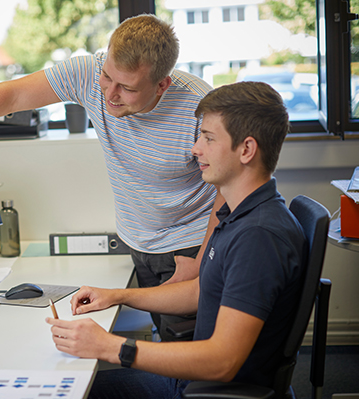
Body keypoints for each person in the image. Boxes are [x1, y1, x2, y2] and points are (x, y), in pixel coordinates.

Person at [0, 14, 223, 339]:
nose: (109, 94)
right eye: (107, 77)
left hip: (189, 245)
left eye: (127, 88)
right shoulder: (88, 74)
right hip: (138, 242)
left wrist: (199, 257)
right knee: (160, 341)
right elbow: (11, 95)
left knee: (186, 359)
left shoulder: (199, 106)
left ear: (162, 84)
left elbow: (227, 187)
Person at [46, 81, 308, 398]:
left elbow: (222, 362)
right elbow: (201, 291)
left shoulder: (259, 237)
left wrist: (110, 346)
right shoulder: (240, 214)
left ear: (246, 149)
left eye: (208, 138)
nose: (196, 148)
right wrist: (117, 296)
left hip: (209, 390)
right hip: (195, 383)